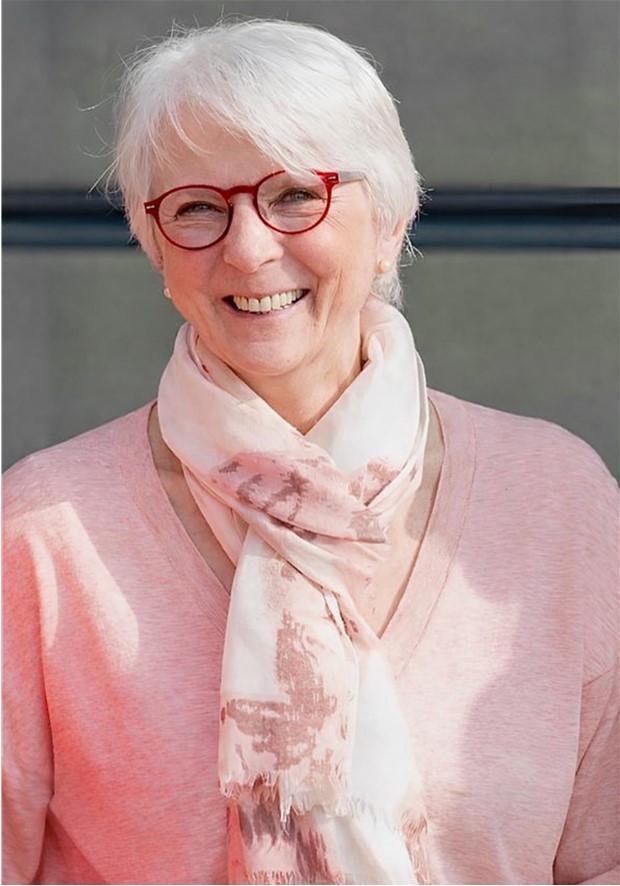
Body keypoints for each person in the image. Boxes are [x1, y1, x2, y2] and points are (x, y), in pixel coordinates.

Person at [2, 18, 618, 886]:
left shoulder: (559, 502)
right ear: (155, 245)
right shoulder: (41, 535)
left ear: (391, 219)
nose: (249, 247)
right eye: (197, 207)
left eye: (295, 194)